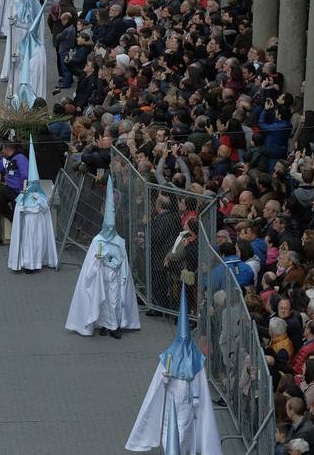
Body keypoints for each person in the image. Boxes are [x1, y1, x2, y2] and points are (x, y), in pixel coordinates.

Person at [126, 287, 225, 454]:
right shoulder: (169, 355)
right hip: (171, 401)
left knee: (183, 432)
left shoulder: (196, 358)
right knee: (169, 431)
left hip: (187, 403)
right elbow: (159, 383)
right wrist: (165, 379)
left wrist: (196, 397)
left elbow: (198, 381)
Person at [66, 175, 141, 337]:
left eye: (112, 227)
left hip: (115, 277)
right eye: (107, 227)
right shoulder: (97, 241)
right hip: (101, 276)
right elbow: (90, 265)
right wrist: (98, 262)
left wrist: (120, 270)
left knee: (114, 300)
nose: (110, 230)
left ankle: (114, 326)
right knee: (102, 300)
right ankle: (104, 325)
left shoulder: (119, 241)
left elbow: (123, 261)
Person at [7, 140, 58, 272]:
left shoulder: (41, 196)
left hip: (39, 224)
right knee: (28, 244)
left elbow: (45, 208)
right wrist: (23, 205)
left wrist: (39, 200)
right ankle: (29, 264)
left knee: (39, 243)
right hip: (28, 225)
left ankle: (38, 262)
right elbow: (19, 210)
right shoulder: (23, 197)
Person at [0, 140, 27, 222]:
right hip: (9, 188)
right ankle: (12, 218)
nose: (2, 151)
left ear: (7, 149)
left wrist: (22, 192)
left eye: (3, 149)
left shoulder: (21, 158)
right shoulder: (6, 160)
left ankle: (17, 222)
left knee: (17, 210)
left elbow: (25, 176)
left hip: (18, 191)